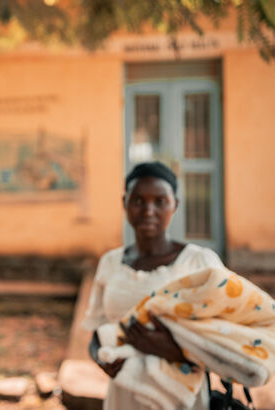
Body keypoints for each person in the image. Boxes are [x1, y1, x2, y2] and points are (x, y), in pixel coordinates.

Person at [83, 161, 224, 410]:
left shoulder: (200, 262)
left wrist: (173, 350)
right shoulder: (110, 262)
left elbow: (228, 341)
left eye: (160, 201)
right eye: (138, 200)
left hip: (181, 398)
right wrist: (100, 357)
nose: (149, 210)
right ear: (124, 203)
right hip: (124, 395)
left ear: (175, 205)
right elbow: (96, 327)